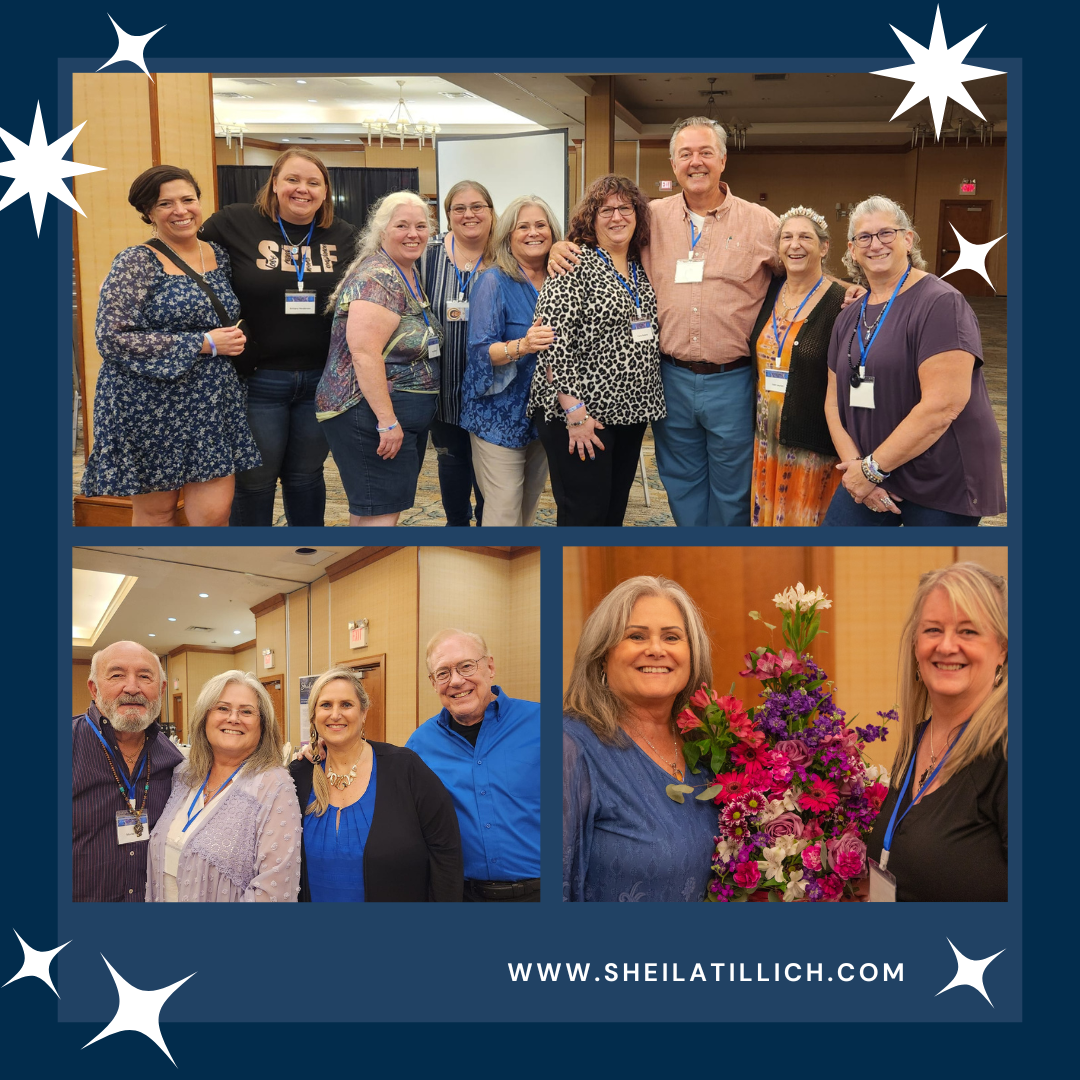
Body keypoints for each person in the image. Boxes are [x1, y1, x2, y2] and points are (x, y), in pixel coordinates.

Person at [549, 118, 780, 526]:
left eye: (706, 152)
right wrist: (560, 247)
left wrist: (844, 289)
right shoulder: (650, 217)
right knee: (680, 482)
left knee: (734, 488)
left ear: (723, 159)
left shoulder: (762, 222)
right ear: (673, 164)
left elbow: (801, 269)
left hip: (732, 379)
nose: (696, 162)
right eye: (686, 154)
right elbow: (602, 232)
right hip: (668, 379)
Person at [82, 165, 259, 526]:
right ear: (149, 212)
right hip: (148, 404)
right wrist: (202, 343)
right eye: (166, 204)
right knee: (156, 513)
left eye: (188, 200)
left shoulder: (220, 256)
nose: (180, 211)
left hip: (211, 403)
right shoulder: (135, 261)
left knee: (214, 516)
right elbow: (112, 338)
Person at [823, 195, 1006, 525]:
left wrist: (872, 469)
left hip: (939, 475)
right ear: (852, 250)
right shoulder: (848, 316)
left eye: (886, 233)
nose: (875, 244)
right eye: (864, 237)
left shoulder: (941, 303)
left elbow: (943, 406)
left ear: (908, 239)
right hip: (871, 471)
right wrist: (856, 469)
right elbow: (833, 404)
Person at [199, 149, 356, 527]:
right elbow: (188, 264)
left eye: (313, 183)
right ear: (274, 183)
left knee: (306, 476)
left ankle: (308, 549)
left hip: (321, 380)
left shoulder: (344, 235)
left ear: (325, 192)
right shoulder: (234, 223)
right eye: (292, 180)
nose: (302, 189)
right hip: (257, 379)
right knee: (255, 481)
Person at [563, 576, 715, 902]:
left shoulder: (706, 746)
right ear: (603, 655)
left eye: (672, 637)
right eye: (636, 636)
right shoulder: (571, 748)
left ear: (693, 654)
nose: (656, 649)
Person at [865, 563, 1007, 901]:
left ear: (1002, 648)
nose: (946, 646)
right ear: (915, 645)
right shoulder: (919, 738)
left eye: (968, 631)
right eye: (933, 630)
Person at [529, 175, 664, 526]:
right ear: (591, 218)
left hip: (629, 414)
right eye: (606, 210)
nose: (616, 217)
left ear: (637, 215)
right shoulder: (572, 263)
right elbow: (552, 344)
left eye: (624, 208)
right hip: (579, 414)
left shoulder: (639, 265)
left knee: (612, 512)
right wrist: (574, 412)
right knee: (583, 515)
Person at [316, 191, 445, 526]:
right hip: (370, 414)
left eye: (420, 226)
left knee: (371, 510)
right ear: (382, 231)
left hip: (389, 414)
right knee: (381, 517)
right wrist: (387, 421)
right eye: (401, 225)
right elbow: (364, 353)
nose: (412, 234)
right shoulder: (378, 276)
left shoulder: (406, 271)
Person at [289, 668, 463, 902]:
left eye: (346, 705)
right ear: (313, 716)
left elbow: (446, 850)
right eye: (326, 705)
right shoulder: (299, 776)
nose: (336, 714)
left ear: (363, 713)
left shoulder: (405, 768)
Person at [406, 630, 541, 902]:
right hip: (461, 895)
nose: (456, 681)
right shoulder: (419, 745)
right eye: (442, 673)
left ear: (490, 667)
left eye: (466, 666)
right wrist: (326, 753)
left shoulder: (543, 725)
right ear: (433, 683)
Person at [145, 670, 300, 902]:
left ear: (263, 725)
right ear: (204, 717)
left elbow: (274, 893)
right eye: (222, 708)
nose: (233, 718)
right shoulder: (184, 774)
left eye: (246, 711)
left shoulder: (274, 785)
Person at [463, 196, 562, 526]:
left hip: (546, 414)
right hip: (499, 415)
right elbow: (479, 351)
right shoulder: (493, 281)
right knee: (503, 511)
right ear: (508, 235)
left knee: (527, 508)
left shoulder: (561, 279)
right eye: (523, 226)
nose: (533, 233)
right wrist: (523, 345)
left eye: (540, 225)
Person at [748, 207, 845, 526]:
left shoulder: (842, 302)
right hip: (766, 441)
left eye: (805, 237)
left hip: (811, 443)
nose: (795, 245)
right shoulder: (770, 291)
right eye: (787, 237)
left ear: (825, 246)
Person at [73, 641, 183, 902]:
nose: (132, 687)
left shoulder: (173, 758)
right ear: (94, 687)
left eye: (145, 677)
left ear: (161, 689)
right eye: (117, 675)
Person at [422, 180, 496, 526]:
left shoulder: (506, 255)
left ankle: (487, 529)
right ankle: (456, 527)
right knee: (451, 461)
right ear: (448, 215)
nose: (469, 214)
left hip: (493, 387)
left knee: (490, 466)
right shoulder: (426, 256)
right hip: (442, 383)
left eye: (478, 206)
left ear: (491, 212)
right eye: (459, 208)